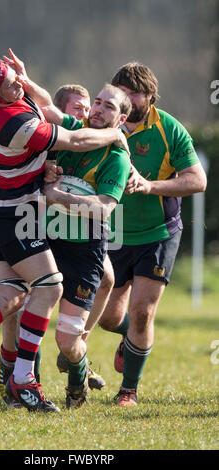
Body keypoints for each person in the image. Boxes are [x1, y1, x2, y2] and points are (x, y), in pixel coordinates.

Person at [0, 49, 129, 413]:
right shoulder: (16, 124)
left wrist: (23, 79)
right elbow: (74, 141)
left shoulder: (7, 93)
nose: (17, 88)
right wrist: (116, 137)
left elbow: (46, 106)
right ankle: (23, 380)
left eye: (15, 79)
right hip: (9, 215)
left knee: (11, 294)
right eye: (11, 85)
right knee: (49, 287)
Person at [98, 62, 207, 407]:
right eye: (122, 92)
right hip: (113, 233)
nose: (127, 99)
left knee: (143, 312)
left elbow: (197, 180)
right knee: (107, 317)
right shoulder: (102, 123)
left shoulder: (168, 128)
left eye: (134, 94)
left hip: (158, 233)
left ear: (149, 96)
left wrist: (149, 186)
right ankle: (131, 340)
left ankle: (128, 390)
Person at [0, 83, 108, 404]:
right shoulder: (51, 137)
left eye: (90, 107)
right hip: (37, 232)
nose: (85, 113)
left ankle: (77, 363)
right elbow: (46, 108)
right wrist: (45, 171)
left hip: (83, 243)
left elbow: (103, 208)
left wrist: (119, 140)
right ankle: (17, 377)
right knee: (18, 308)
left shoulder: (100, 142)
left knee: (103, 285)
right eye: (79, 108)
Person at [40, 83, 132, 408]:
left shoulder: (117, 158)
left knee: (67, 341)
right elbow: (46, 108)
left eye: (109, 107)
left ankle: (78, 377)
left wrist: (57, 196)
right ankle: (21, 388)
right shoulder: (73, 132)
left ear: (120, 120)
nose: (98, 109)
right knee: (26, 311)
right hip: (48, 243)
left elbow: (103, 207)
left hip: (83, 252)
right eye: (98, 102)